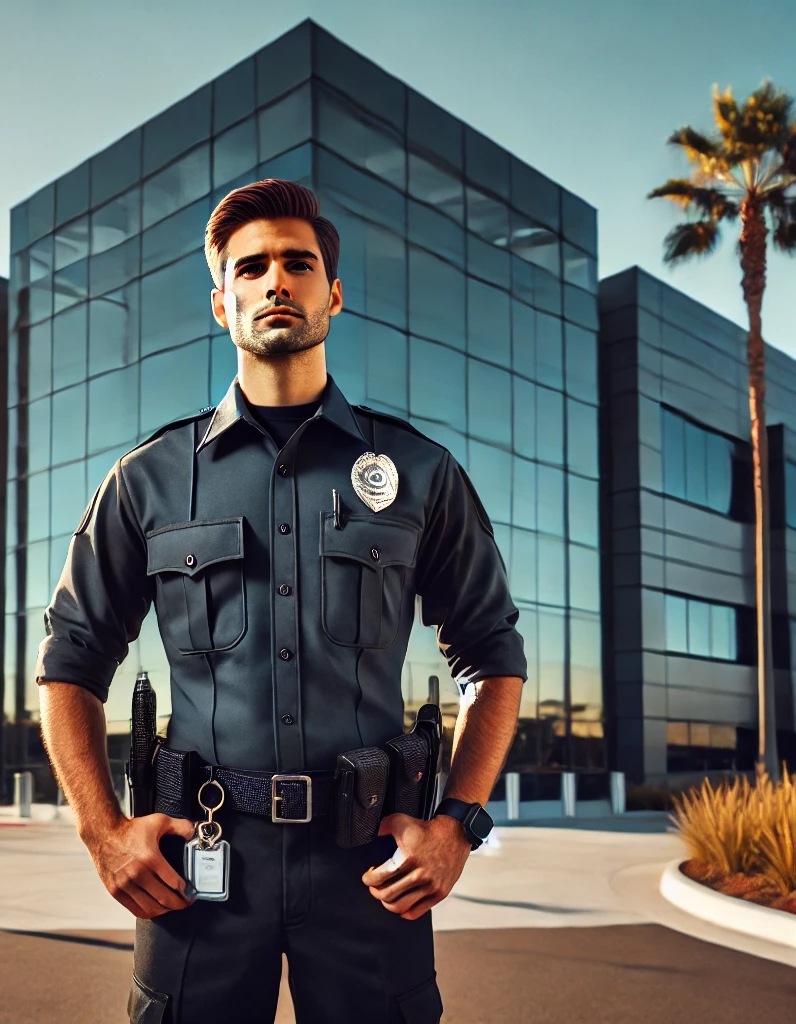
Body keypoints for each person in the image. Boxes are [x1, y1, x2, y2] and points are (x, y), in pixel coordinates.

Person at [37, 179, 527, 1024]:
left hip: (371, 866)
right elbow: (69, 662)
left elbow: (492, 654)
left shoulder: (419, 472)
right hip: (200, 868)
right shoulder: (147, 480)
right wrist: (102, 830)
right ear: (221, 303)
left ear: (331, 293)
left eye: (298, 264)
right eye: (251, 266)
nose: (277, 281)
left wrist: (458, 824)